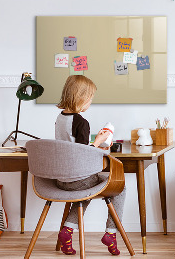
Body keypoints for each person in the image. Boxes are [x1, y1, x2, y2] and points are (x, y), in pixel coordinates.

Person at [55, 75, 125, 256]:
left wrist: (95, 142)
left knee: (85, 191)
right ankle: (111, 233)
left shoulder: (60, 118)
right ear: (81, 97)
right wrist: (100, 141)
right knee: (120, 187)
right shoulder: (81, 122)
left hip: (61, 179)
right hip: (78, 179)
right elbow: (83, 154)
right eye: (90, 98)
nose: (90, 102)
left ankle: (67, 231)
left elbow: (72, 147)